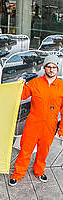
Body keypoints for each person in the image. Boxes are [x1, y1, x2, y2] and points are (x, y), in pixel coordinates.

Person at [9, 54, 63, 186]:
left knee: (43, 151)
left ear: (57, 69)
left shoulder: (61, 87)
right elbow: (21, 96)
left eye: (54, 67)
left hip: (50, 126)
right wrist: (19, 85)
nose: (51, 70)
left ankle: (39, 171)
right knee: (25, 150)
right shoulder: (35, 83)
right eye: (48, 67)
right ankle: (18, 174)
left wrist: (61, 129)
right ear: (44, 68)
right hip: (33, 125)